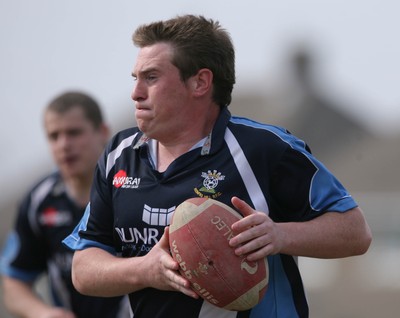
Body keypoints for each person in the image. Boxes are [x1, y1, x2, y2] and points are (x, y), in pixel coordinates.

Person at [63, 15, 372, 318]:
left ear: (200, 82)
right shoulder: (119, 155)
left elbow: (356, 232)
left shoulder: (264, 150)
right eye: (136, 78)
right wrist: (146, 270)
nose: (136, 92)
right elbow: (83, 269)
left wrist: (279, 235)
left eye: (152, 77)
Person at [0, 91, 130, 318]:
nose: (64, 145)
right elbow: (14, 281)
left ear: (103, 132)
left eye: (74, 133)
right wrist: (42, 313)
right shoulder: (39, 202)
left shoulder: (133, 189)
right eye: (54, 136)